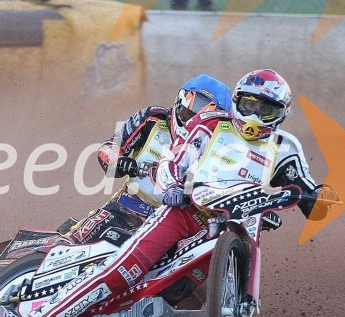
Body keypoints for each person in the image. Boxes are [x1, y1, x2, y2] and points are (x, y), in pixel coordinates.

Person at [20, 69, 338, 317]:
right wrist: (156, 177)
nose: (254, 115)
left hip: (214, 223)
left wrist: (318, 199)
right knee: (118, 262)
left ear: (281, 113)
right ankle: (43, 314)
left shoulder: (284, 148)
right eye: (249, 105)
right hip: (148, 209)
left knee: (183, 288)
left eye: (265, 109)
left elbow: (306, 188)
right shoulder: (172, 122)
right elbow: (145, 156)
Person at [80, 74, 232, 235]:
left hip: (184, 224)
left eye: (203, 122)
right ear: (178, 103)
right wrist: (117, 161)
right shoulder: (153, 117)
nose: (192, 125)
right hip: (128, 208)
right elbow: (109, 146)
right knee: (79, 239)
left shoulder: (225, 147)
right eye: (190, 115)